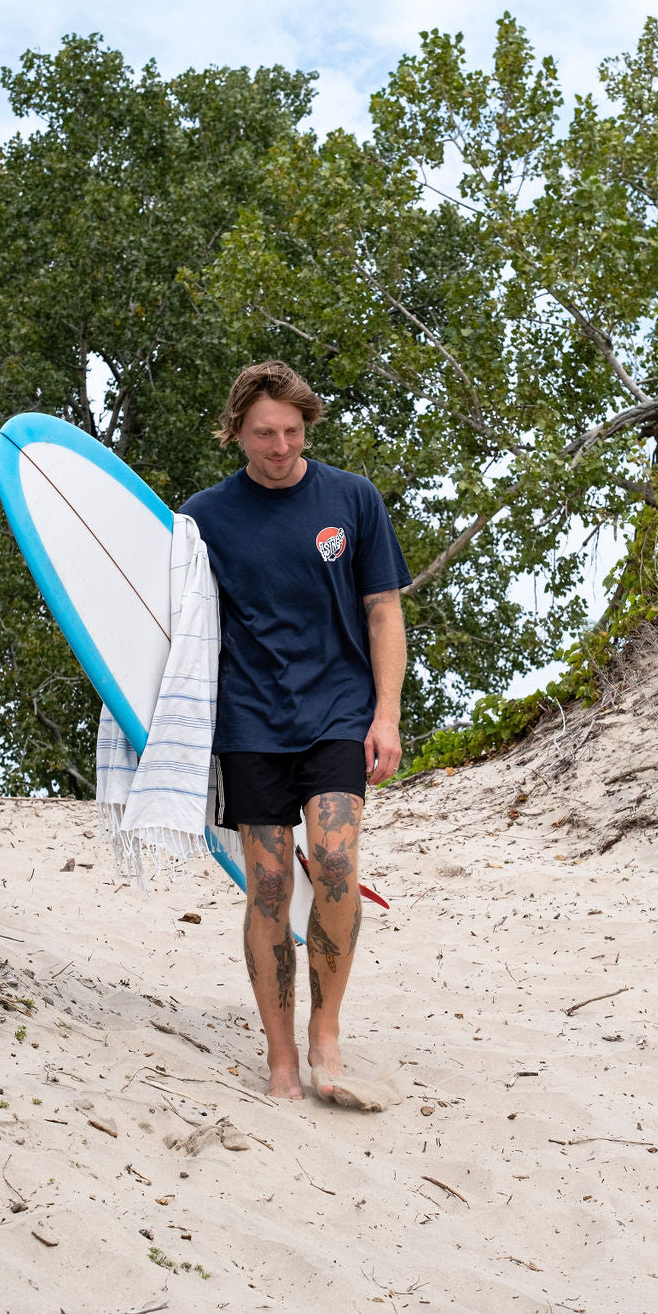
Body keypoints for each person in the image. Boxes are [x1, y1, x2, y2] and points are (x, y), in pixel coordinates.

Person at [180, 360, 410, 1104]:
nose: (278, 446)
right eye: (262, 433)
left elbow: (383, 611)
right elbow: (172, 630)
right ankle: (280, 1058)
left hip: (338, 710)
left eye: (290, 430)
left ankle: (325, 1032)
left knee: (337, 861)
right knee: (270, 885)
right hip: (247, 718)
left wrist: (387, 714)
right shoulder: (201, 518)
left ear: (306, 425)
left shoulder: (351, 498)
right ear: (235, 432)